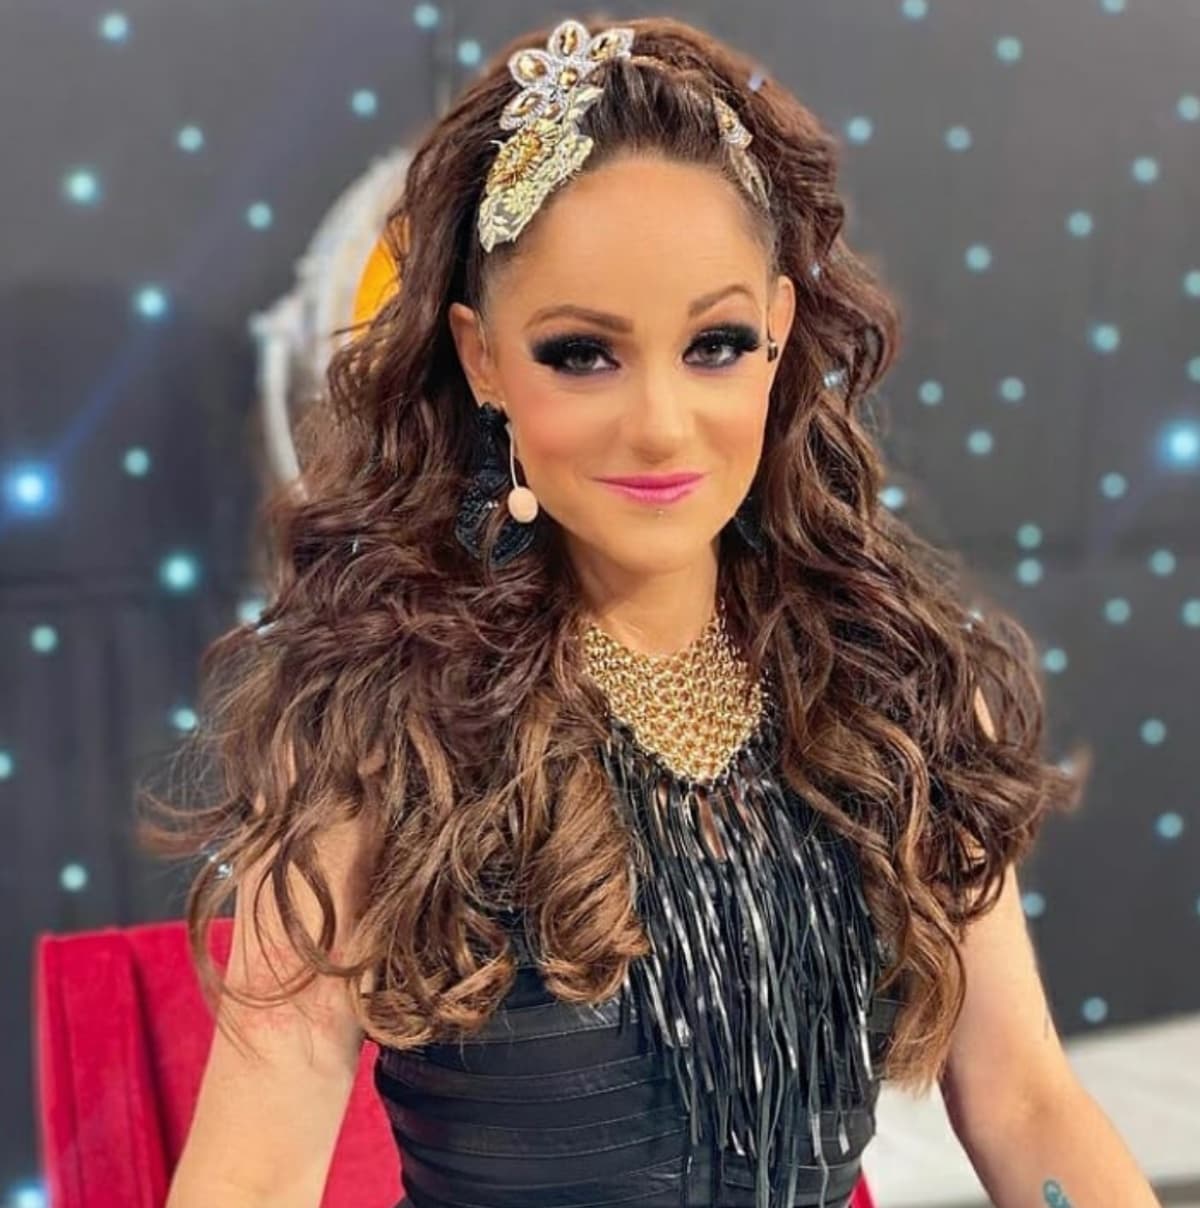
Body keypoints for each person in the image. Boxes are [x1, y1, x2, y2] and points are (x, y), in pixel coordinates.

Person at [147, 14, 1161, 1208]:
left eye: (715, 343)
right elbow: (250, 1176)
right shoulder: (379, 730)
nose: (662, 426)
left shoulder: (893, 688)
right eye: (584, 353)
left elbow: (1024, 1096)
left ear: (778, 333)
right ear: (481, 357)